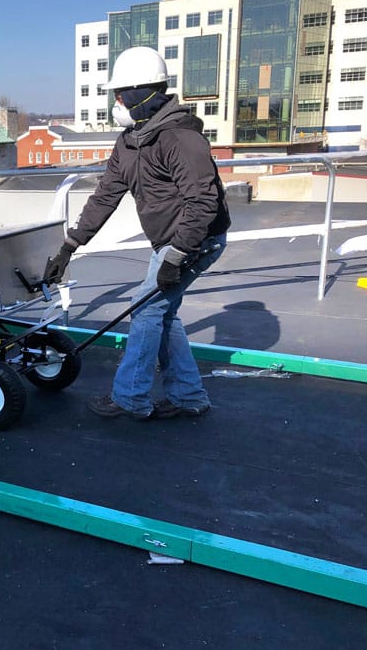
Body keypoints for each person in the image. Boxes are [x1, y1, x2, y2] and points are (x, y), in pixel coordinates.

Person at [44, 46, 230, 420]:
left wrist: (176, 257)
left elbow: (203, 203)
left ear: (145, 92)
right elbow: (105, 196)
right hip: (170, 241)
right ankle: (188, 396)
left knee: (146, 311)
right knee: (163, 314)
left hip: (197, 240)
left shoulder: (179, 138)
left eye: (120, 94)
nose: (116, 102)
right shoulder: (129, 141)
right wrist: (69, 246)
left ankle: (130, 398)